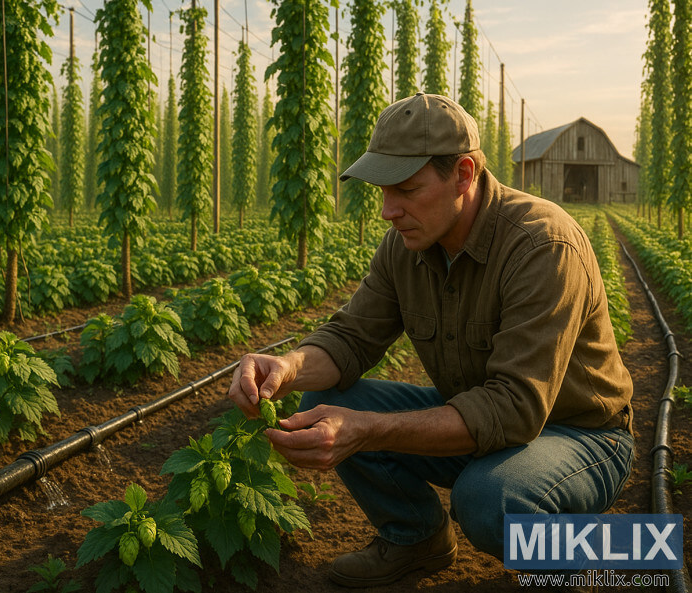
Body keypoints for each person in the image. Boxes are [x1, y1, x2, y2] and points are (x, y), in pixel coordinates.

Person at [227, 93, 634, 589]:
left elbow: (513, 409)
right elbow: (351, 338)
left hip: (577, 434)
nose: (387, 211)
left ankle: (605, 557)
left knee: (489, 499)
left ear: (463, 174)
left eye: (406, 189)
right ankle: (417, 539)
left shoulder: (542, 244)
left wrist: (369, 430)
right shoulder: (406, 244)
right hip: (477, 418)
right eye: (382, 191)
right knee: (328, 396)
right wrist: (287, 366)